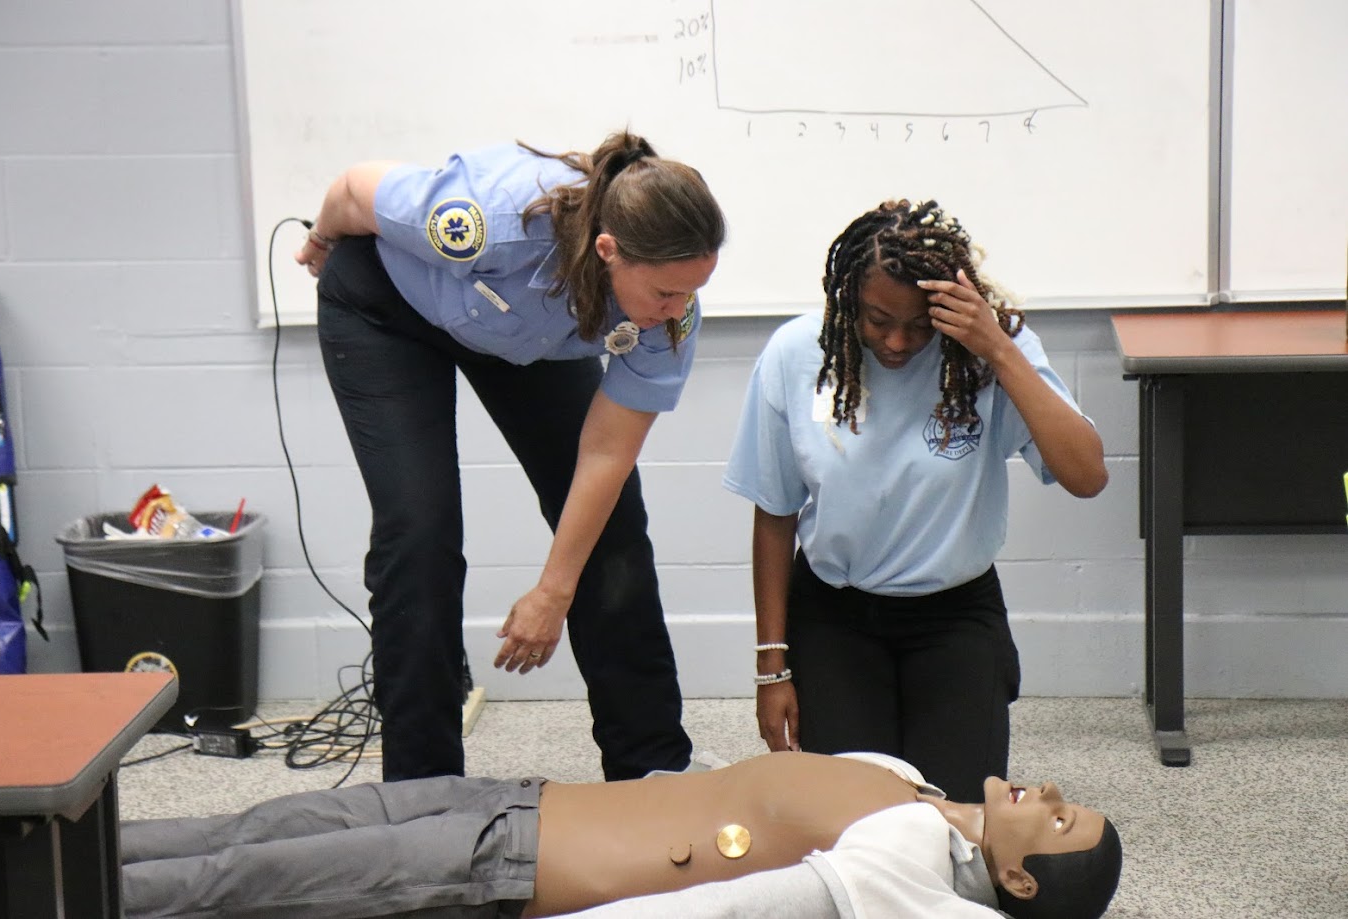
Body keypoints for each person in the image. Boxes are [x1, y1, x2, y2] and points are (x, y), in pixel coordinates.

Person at [294, 131, 726, 782]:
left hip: (526, 338)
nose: (679, 308)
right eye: (666, 292)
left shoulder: (669, 316)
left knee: (612, 531)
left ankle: (650, 770)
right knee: (420, 533)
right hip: (389, 311)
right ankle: (423, 792)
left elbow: (607, 452)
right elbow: (355, 188)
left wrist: (555, 589)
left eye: (691, 290)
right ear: (609, 251)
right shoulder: (484, 222)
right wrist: (323, 242)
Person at [722, 199, 1109, 802]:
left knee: (954, 819)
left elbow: (1087, 476)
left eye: (919, 325)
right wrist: (772, 668)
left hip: (955, 613)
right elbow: (774, 515)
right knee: (857, 819)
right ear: (847, 298)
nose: (898, 341)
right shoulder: (797, 353)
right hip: (835, 614)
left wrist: (1000, 352)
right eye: (877, 320)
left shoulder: (988, 351)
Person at [119, 750, 1122, 919]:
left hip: (495, 866)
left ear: (1018, 880)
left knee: (231, 881)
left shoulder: (908, 869)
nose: (1051, 793)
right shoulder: (909, 786)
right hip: (516, 797)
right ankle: (29, 854)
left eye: (1059, 820)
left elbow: (730, 905)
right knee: (249, 828)